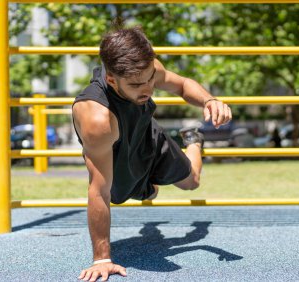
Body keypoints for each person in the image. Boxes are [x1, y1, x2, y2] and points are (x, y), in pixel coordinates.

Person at [72, 26, 232, 281]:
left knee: (192, 182)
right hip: (117, 153)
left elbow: (181, 85)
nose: (147, 88)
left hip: (148, 136)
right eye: (136, 84)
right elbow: (98, 190)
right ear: (111, 79)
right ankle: (149, 182)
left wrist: (209, 101)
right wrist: (102, 259)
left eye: (149, 79)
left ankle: (193, 140)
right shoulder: (97, 119)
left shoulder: (145, 68)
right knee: (144, 193)